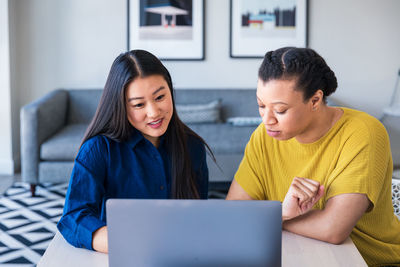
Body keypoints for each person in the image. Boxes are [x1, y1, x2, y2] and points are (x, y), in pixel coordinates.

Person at [226, 47, 400, 266]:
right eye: (261, 105)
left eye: (280, 110)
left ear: (315, 100)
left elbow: (334, 229)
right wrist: (280, 213)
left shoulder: (363, 133)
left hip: (369, 261)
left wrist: (275, 216)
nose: (267, 120)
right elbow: (234, 212)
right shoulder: (264, 136)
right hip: (295, 254)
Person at [57, 50, 212, 253]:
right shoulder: (98, 150)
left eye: (160, 97)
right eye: (139, 104)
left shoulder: (192, 146)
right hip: (122, 254)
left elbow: (199, 214)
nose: (154, 112)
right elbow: (73, 218)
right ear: (121, 106)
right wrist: (127, 243)